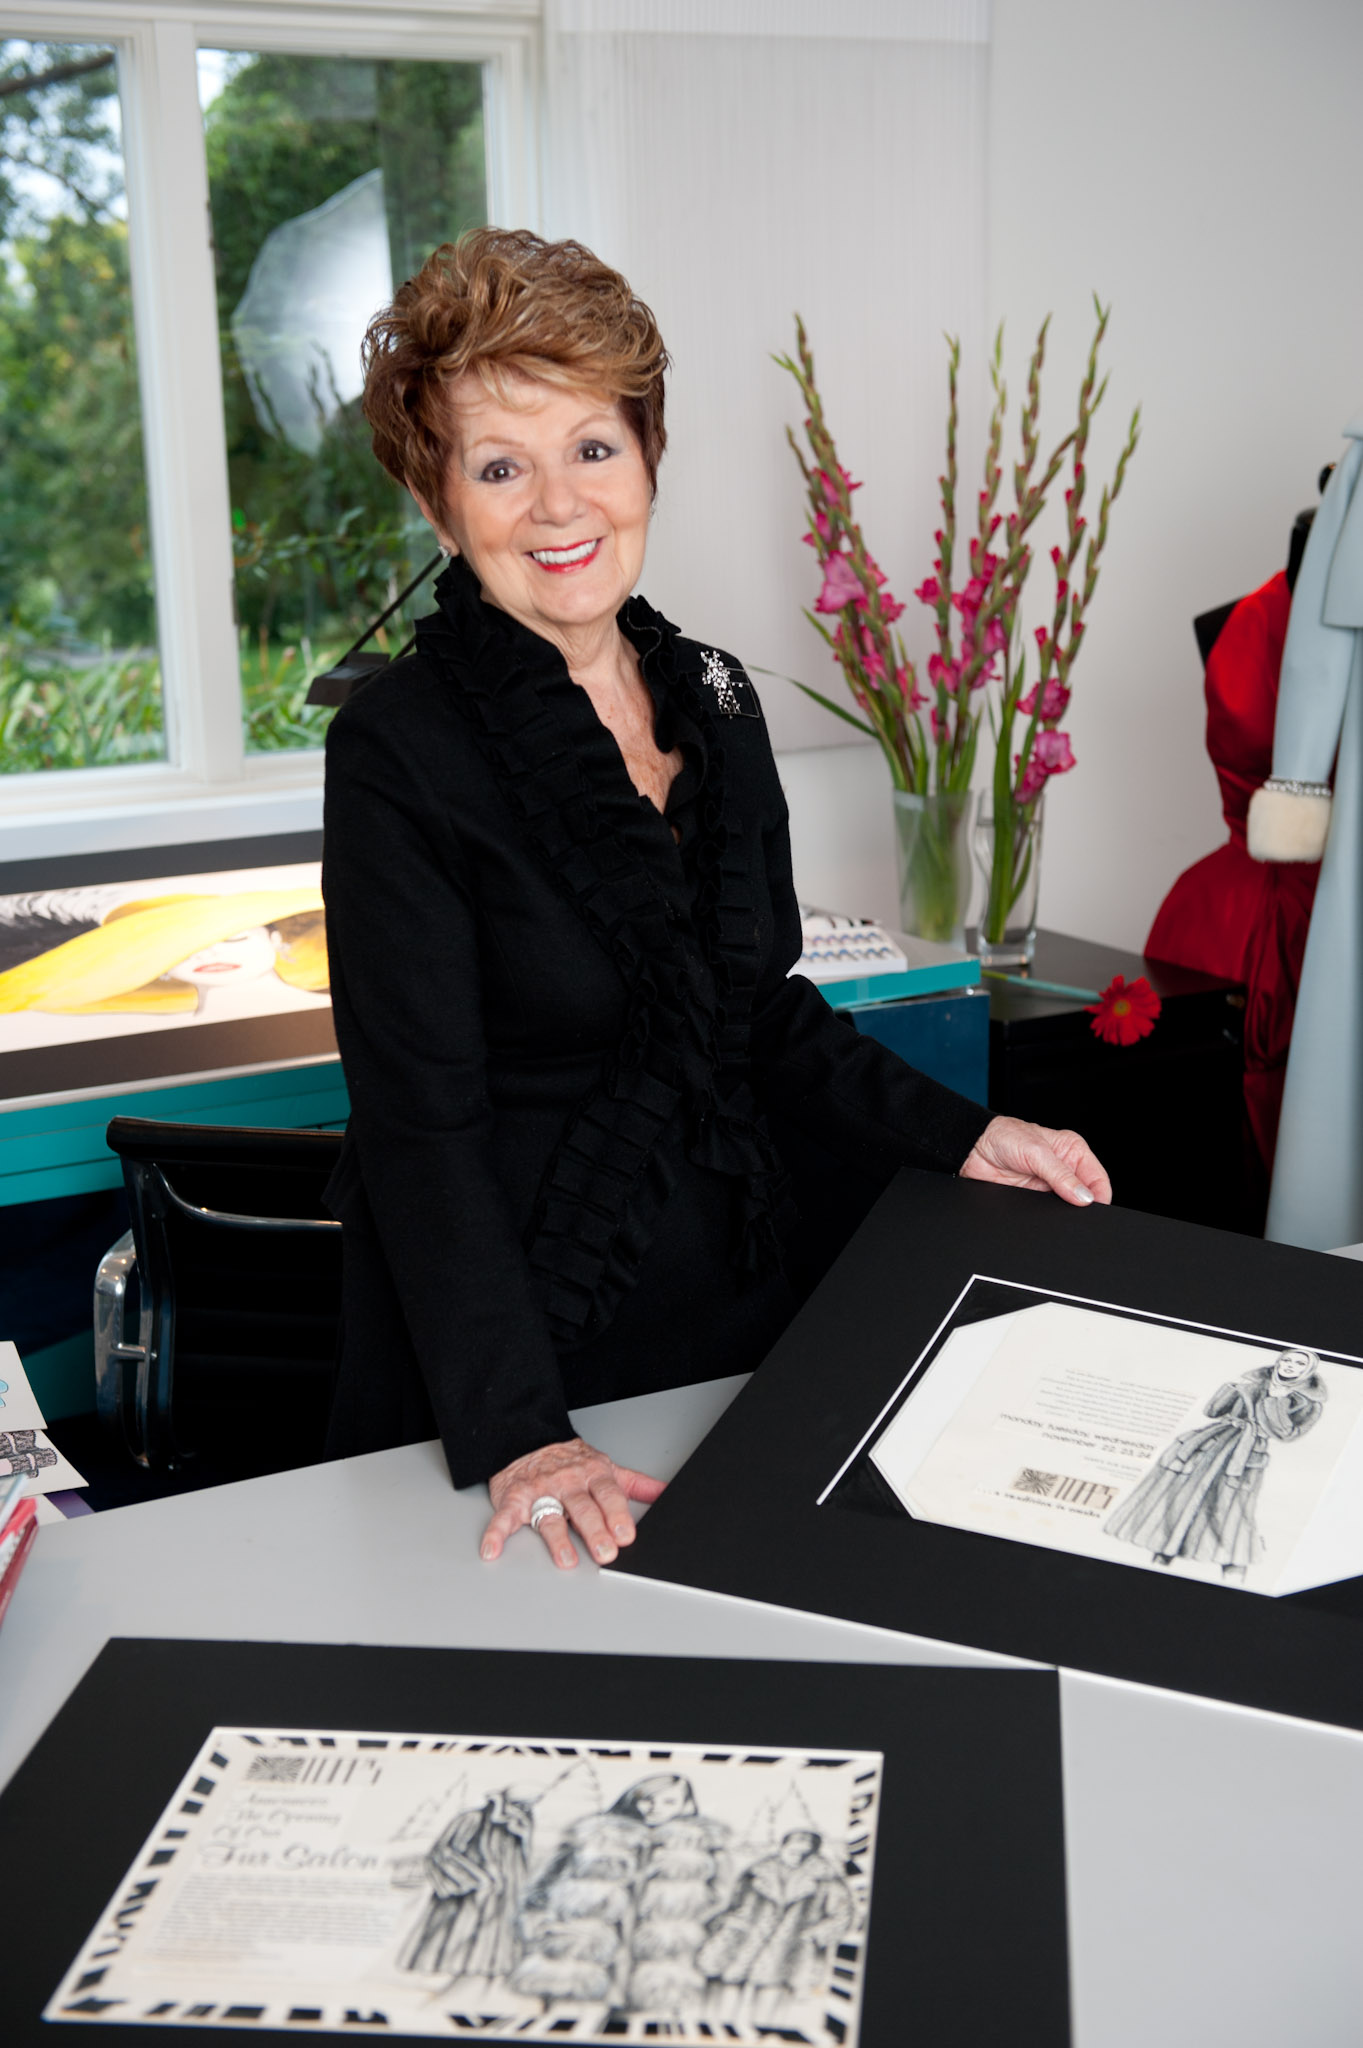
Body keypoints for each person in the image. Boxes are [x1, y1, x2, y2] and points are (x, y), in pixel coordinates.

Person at [321, 227, 1112, 1571]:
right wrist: (524, 1431)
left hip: (730, 1319)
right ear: (439, 506)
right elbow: (420, 1129)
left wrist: (964, 1134)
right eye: (499, 467)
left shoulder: (716, 695)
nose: (558, 504)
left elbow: (758, 1015)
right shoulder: (397, 747)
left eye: (592, 447)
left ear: (646, 458)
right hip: (510, 1367)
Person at [1104, 1347, 1327, 1579]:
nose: (1290, 1366)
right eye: (1287, 1360)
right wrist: (1233, 1389)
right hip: (1209, 1447)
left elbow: (1286, 1434)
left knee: (1233, 1512)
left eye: (1299, 1364)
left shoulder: (1308, 1403)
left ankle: (1234, 1572)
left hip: (1245, 1456)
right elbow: (1212, 1412)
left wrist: (1276, 1400)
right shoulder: (1252, 1385)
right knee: (1182, 1501)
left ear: (1309, 1371)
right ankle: (1162, 1557)